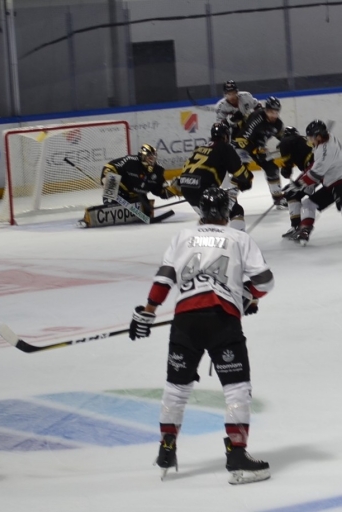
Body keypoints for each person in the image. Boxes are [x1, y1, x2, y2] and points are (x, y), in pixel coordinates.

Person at [128, 186, 274, 485]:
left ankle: (167, 446)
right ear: (227, 212)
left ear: (200, 212)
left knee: (176, 388)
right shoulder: (239, 238)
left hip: (185, 322)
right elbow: (265, 281)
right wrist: (247, 296)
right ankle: (237, 454)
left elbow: (165, 277)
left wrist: (149, 310)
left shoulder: (182, 237)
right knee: (236, 389)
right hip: (223, 321)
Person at [179, 122, 254, 230]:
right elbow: (239, 172)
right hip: (203, 188)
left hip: (186, 187)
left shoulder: (199, 147)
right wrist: (247, 180)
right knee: (236, 211)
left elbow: (187, 170)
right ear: (226, 136)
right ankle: (236, 241)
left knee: (208, 216)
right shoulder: (225, 147)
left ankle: (200, 241)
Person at [233, 96, 286, 208]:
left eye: (276, 112)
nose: (274, 115)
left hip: (257, 148)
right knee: (241, 171)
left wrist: (292, 143)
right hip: (241, 143)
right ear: (266, 110)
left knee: (272, 168)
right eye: (271, 112)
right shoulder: (257, 117)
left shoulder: (278, 124)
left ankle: (278, 198)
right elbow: (244, 137)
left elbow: (284, 138)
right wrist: (256, 149)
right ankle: (229, 199)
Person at [100, 143, 175, 216]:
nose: (152, 160)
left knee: (147, 212)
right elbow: (110, 166)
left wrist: (175, 190)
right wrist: (106, 177)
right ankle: (108, 206)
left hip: (137, 196)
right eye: (149, 157)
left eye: (153, 157)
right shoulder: (130, 161)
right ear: (142, 156)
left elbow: (160, 191)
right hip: (120, 193)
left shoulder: (158, 170)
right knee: (111, 180)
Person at [278, 126, 315, 239]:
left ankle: (297, 227)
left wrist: (286, 169)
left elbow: (287, 164)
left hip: (313, 171)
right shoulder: (302, 140)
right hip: (318, 170)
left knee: (291, 193)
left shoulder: (286, 141)